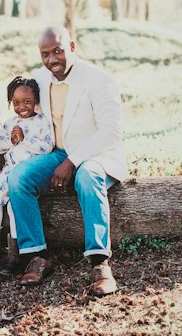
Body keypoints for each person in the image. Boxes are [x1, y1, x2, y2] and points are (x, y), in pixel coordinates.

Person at [7, 25, 127, 295]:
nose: (52, 60)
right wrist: (2, 155)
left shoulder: (99, 79)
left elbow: (111, 132)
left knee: (87, 175)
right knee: (17, 178)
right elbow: (23, 117)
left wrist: (72, 161)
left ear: (72, 47)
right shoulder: (40, 79)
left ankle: (99, 263)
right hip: (58, 152)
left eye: (58, 51)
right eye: (45, 54)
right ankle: (37, 255)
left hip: (98, 154)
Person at [0, 76, 53, 273]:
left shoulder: (41, 121)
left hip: (25, 174)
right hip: (7, 172)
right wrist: (11, 141)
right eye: (16, 102)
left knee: (14, 208)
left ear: (36, 101)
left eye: (27, 102)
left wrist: (24, 139)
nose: (21, 106)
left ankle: (15, 255)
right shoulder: (10, 122)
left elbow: (46, 147)